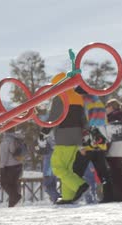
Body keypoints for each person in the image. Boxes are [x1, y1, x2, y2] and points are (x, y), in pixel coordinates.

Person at [39, 73, 89, 204]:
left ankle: (79, 185)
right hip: (76, 136)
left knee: (57, 166)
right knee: (68, 168)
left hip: (64, 135)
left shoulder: (60, 96)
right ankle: (68, 197)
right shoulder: (78, 97)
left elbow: (53, 118)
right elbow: (84, 120)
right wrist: (84, 137)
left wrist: (43, 133)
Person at [71, 87, 114, 203]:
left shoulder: (84, 104)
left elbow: (83, 124)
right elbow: (104, 122)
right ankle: (109, 197)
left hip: (88, 143)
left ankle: (72, 196)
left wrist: (81, 144)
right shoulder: (98, 103)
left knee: (76, 171)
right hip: (100, 142)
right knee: (103, 173)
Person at [105, 99, 122, 201]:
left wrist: (105, 148)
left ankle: (118, 197)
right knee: (119, 172)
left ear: (111, 107)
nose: (105, 109)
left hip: (114, 147)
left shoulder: (112, 117)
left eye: (106, 107)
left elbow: (110, 134)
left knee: (115, 174)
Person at [0, 129, 24, 207]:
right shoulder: (17, 138)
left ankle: (16, 197)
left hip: (9, 167)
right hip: (19, 165)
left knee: (4, 183)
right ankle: (11, 204)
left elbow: (4, 156)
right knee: (13, 185)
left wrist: (1, 168)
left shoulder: (6, 141)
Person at [36, 134, 60, 203]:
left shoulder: (45, 139)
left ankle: (59, 198)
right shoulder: (55, 138)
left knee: (47, 186)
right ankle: (56, 200)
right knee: (52, 185)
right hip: (54, 165)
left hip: (49, 167)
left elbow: (38, 148)